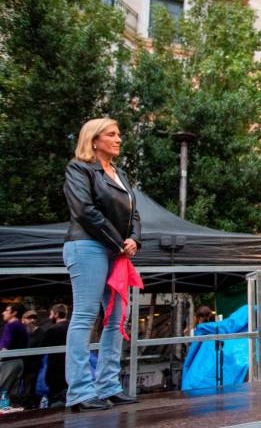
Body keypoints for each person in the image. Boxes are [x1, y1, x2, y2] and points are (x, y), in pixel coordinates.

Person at [62, 118, 141, 412]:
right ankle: (80, 392)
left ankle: (109, 385)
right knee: (84, 316)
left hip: (115, 250)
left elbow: (134, 213)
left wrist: (134, 238)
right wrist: (118, 240)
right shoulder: (79, 168)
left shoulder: (119, 174)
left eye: (119, 134)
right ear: (94, 140)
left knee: (118, 316)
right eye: (112, 134)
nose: (119, 139)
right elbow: (84, 210)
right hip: (87, 246)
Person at [42, 304, 69, 407]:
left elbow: (42, 347)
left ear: (56, 314)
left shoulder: (52, 329)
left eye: (51, 314)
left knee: (55, 399)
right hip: (71, 367)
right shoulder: (73, 327)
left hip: (55, 369)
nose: (49, 317)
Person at [0, 303, 29, 401]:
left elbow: (5, 347)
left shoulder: (10, 326)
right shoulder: (22, 326)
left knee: (3, 392)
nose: (3, 313)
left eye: (7, 311)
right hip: (19, 362)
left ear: (14, 313)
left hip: (9, 363)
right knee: (12, 393)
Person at [20, 311, 44, 408]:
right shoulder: (21, 332)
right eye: (29, 318)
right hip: (21, 366)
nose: (32, 320)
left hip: (34, 367)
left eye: (34, 318)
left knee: (30, 391)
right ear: (23, 320)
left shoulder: (40, 332)